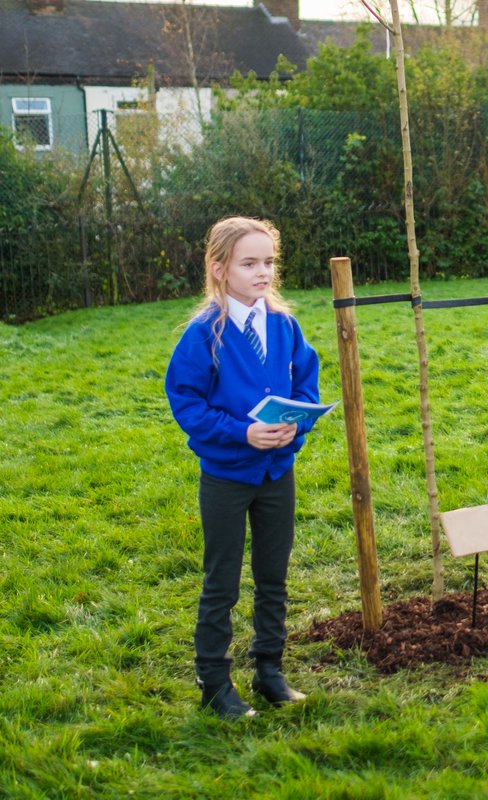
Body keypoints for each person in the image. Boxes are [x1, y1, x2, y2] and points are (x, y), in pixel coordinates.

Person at [165, 217, 321, 719]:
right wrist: (241, 433)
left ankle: (269, 670)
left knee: (273, 576)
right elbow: (185, 402)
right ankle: (213, 680)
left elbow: (307, 386)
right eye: (249, 263)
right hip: (228, 477)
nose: (262, 273)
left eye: (269, 263)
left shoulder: (284, 325)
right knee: (222, 581)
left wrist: (298, 424)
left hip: (278, 472)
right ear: (219, 269)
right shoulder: (202, 334)